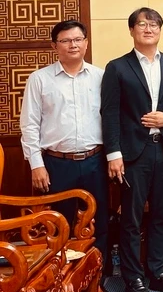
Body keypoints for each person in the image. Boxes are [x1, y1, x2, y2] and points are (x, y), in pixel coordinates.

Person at [101, 7, 163, 292]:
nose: (148, 28)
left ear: (159, 30)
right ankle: (133, 276)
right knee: (131, 218)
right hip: (133, 154)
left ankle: (158, 270)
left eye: (153, 24)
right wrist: (113, 154)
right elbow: (109, 112)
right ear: (132, 30)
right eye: (141, 24)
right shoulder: (117, 67)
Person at [19, 19, 109, 277]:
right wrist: (36, 164)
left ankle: (97, 274)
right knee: (60, 223)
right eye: (66, 40)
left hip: (95, 160)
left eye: (78, 39)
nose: (73, 45)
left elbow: (111, 119)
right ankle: (62, 275)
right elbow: (29, 125)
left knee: (99, 220)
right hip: (57, 163)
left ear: (86, 43)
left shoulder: (101, 77)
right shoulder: (40, 79)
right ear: (54, 46)